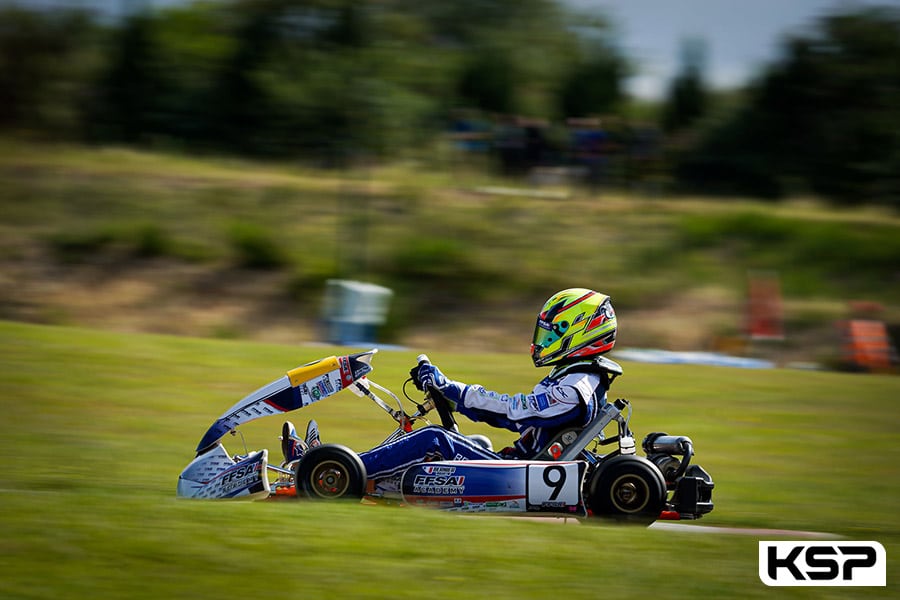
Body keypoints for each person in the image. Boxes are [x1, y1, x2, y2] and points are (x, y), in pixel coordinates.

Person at [357, 288, 623, 494]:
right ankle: (377, 479)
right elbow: (510, 418)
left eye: (552, 334)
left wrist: (454, 390)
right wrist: (452, 400)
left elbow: (516, 411)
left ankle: (349, 469)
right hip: (520, 468)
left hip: (520, 475)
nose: (543, 342)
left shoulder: (578, 386)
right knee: (476, 442)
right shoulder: (576, 377)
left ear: (579, 332)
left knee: (435, 439)